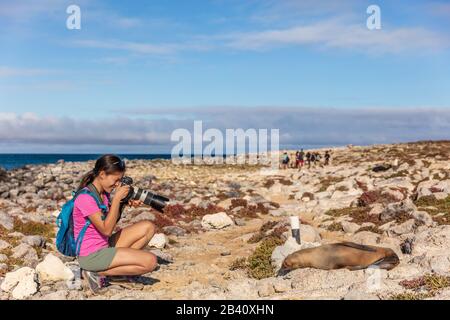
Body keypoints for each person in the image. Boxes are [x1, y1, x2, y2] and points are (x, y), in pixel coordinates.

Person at [73, 154, 157, 293]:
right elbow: (106, 230)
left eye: (120, 180)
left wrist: (122, 203)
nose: (117, 184)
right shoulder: (85, 198)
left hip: (103, 246)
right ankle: (97, 274)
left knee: (148, 227)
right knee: (150, 262)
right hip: (91, 255)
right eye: (116, 179)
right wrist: (117, 199)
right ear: (102, 174)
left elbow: (110, 221)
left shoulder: (102, 194)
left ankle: (115, 271)